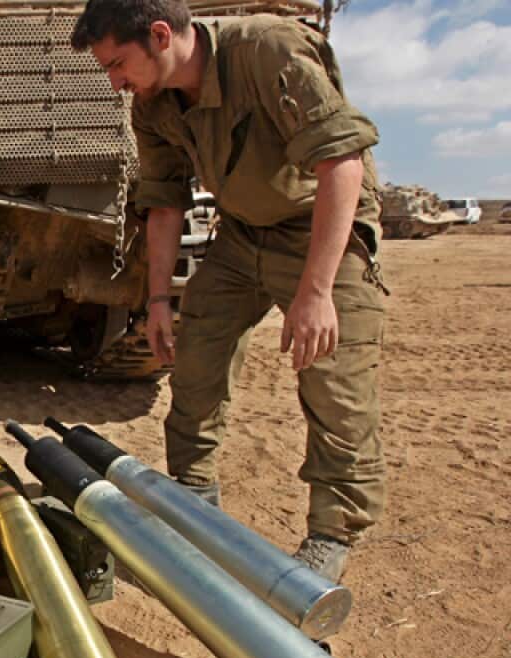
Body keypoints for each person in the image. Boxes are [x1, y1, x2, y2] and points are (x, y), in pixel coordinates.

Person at [71, 0, 387, 582]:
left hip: (321, 229)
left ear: (160, 36)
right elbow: (164, 201)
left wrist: (316, 291)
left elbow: (340, 161)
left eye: (118, 64)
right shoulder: (152, 104)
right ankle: (193, 503)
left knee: (333, 381)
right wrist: (159, 300)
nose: (115, 83)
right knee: (196, 360)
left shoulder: (267, 51)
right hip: (242, 235)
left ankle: (331, 535)